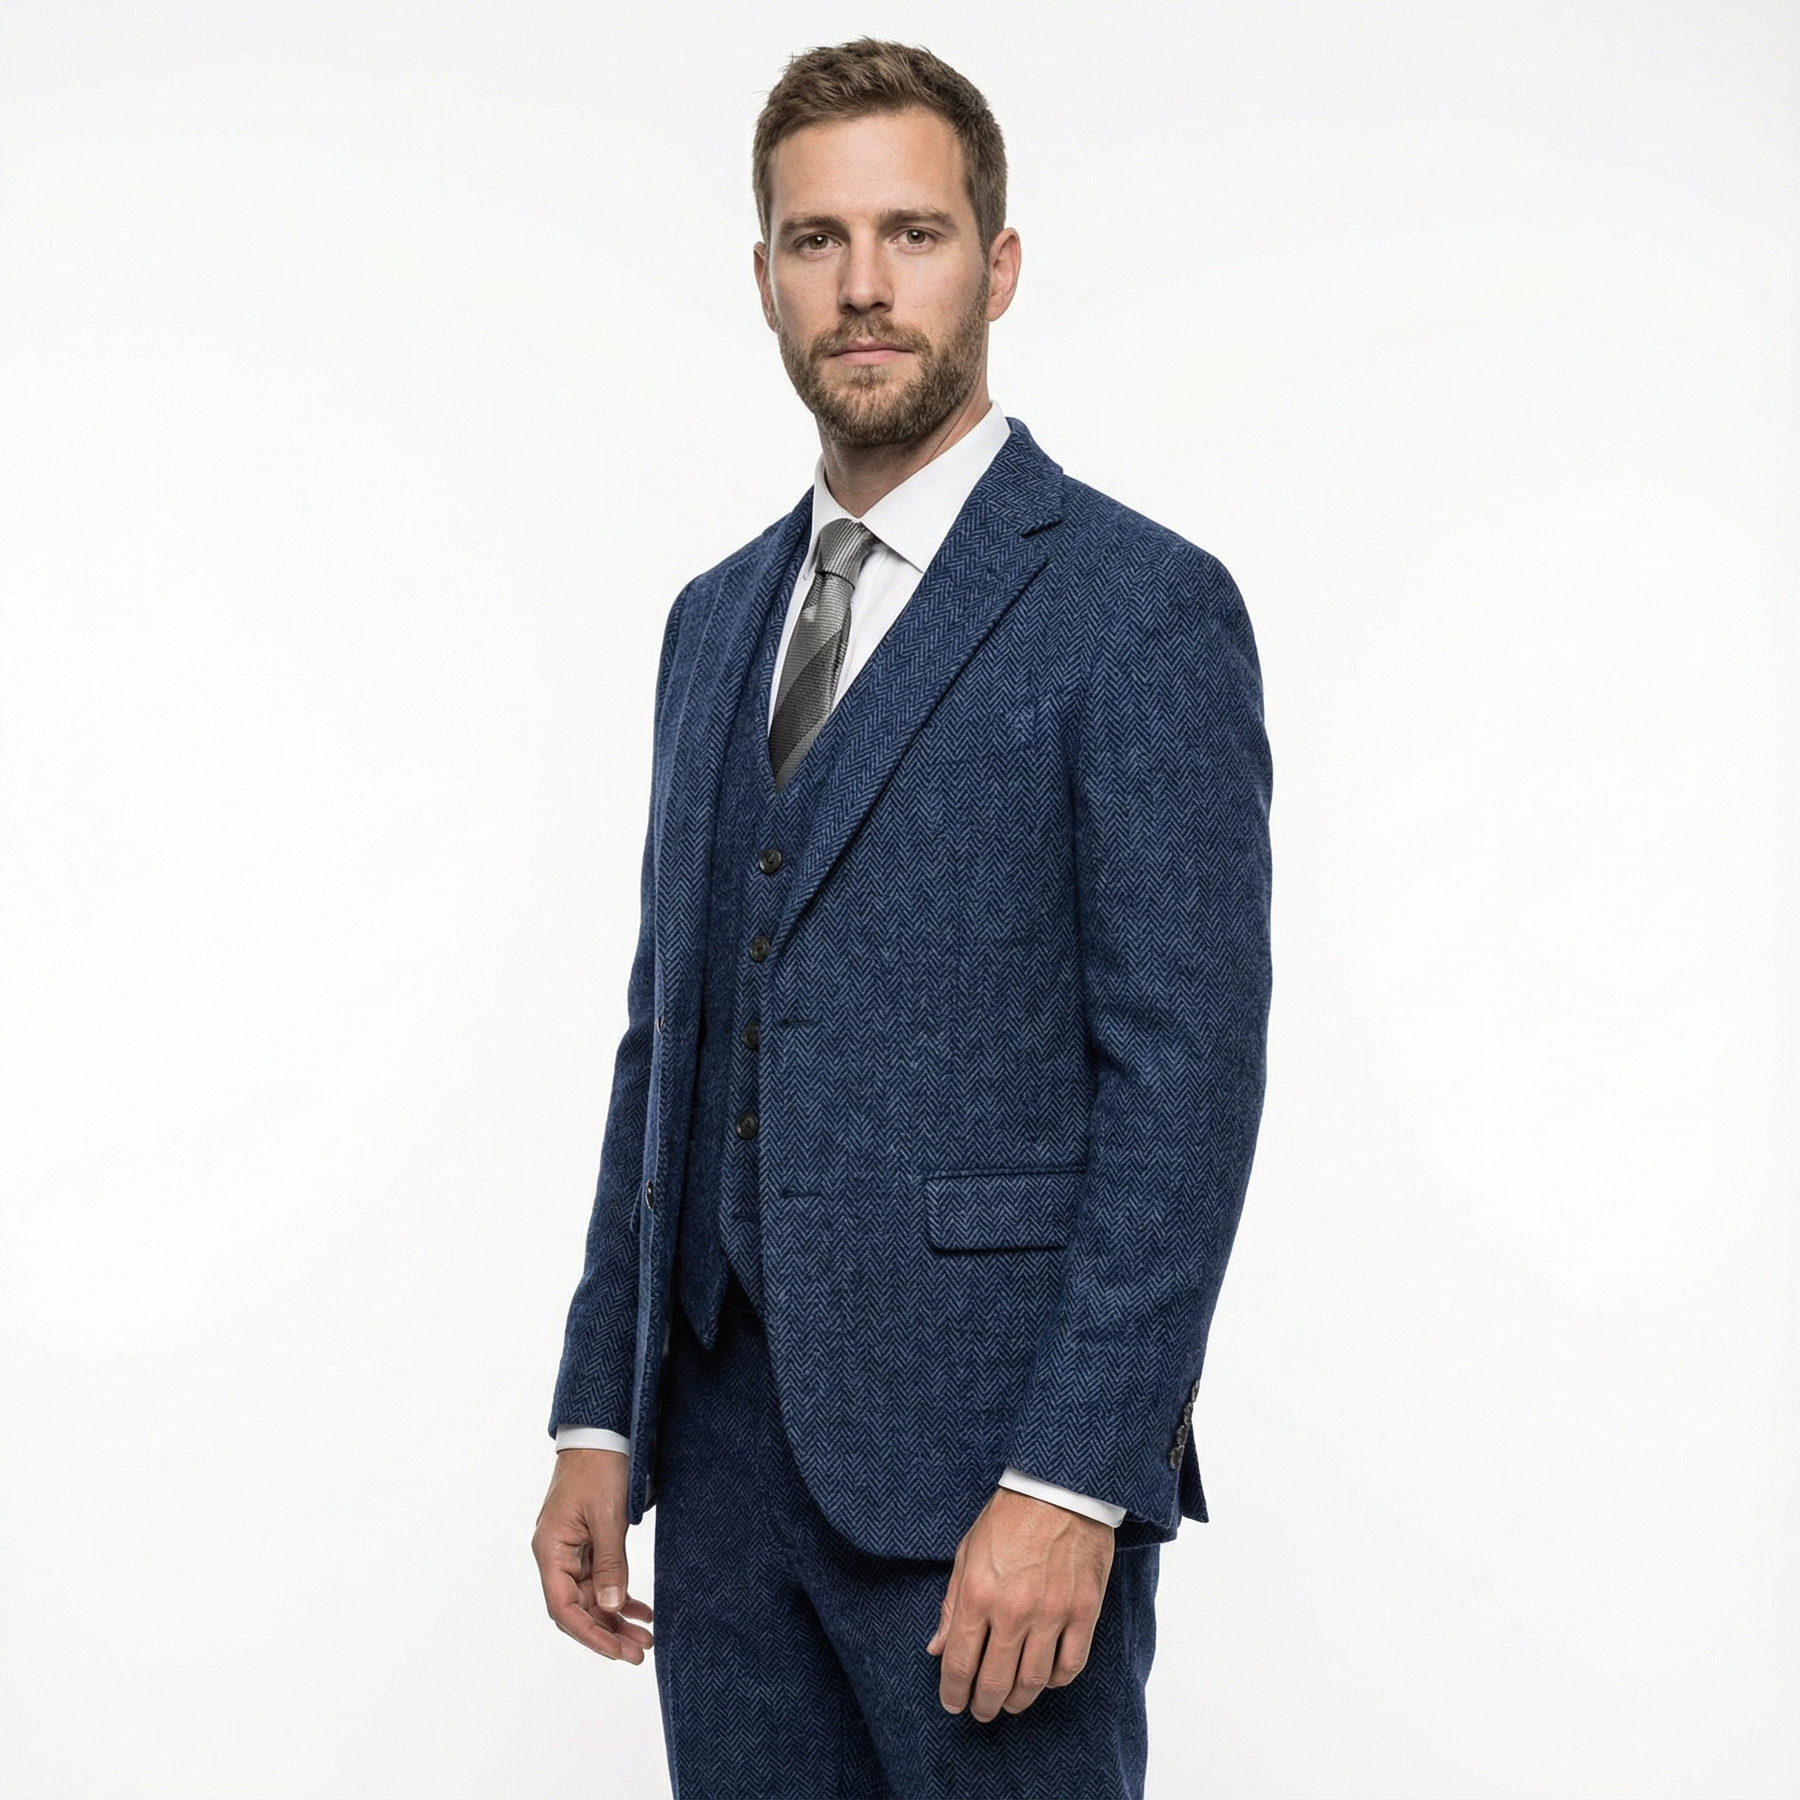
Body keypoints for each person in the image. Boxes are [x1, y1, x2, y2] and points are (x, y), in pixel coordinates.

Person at [530, 37, 1271, 1800]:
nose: (863, 286)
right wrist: (600, 1406)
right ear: (766, 276)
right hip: (722, 1479)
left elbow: (1185, 1085)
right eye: (818, 240)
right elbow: (668, 1034)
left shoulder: (1139, 609)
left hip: (989, 1484)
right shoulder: (712, 620)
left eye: (912, 234)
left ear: (996, 267)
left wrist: (1075, 1478)